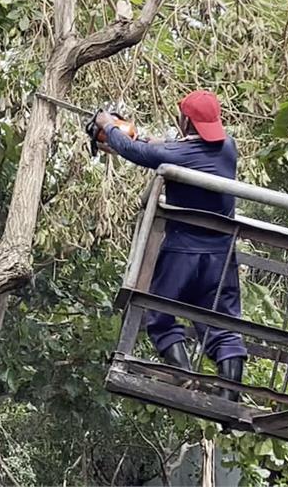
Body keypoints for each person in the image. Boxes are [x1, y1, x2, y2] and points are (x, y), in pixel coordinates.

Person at [94, 90, 246, 401]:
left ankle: (183, 374)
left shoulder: (178, 157)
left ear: (186, 120)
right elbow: (176, 150)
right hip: (221, 256)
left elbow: (141, 154)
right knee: (223, 324)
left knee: (160, 315)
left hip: (183, 252)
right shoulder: (228, 148)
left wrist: (108, 125)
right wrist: (142, 138)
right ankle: (230, 397)